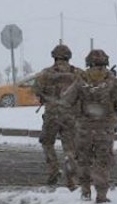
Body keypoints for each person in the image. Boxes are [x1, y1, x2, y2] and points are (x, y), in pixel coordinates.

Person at [61, 48, 117, 203]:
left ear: (88, 63)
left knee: (83, 160)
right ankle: (101, 195)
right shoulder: (113, 82)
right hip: (105, 129)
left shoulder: (80, 81)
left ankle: (85, 191)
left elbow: (66, 100)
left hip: (84, 128)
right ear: (106, 63)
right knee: (103, 161)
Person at [33, 43, 83, 189]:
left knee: (47, 143)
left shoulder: (46, 73)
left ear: (54, 57)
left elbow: (36, 90)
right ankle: (70, 171)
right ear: (69, 57)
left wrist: (47, 96)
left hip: (52, 115)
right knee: (70, 146)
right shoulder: (78, 73)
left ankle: (53, 170)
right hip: (71, 116)